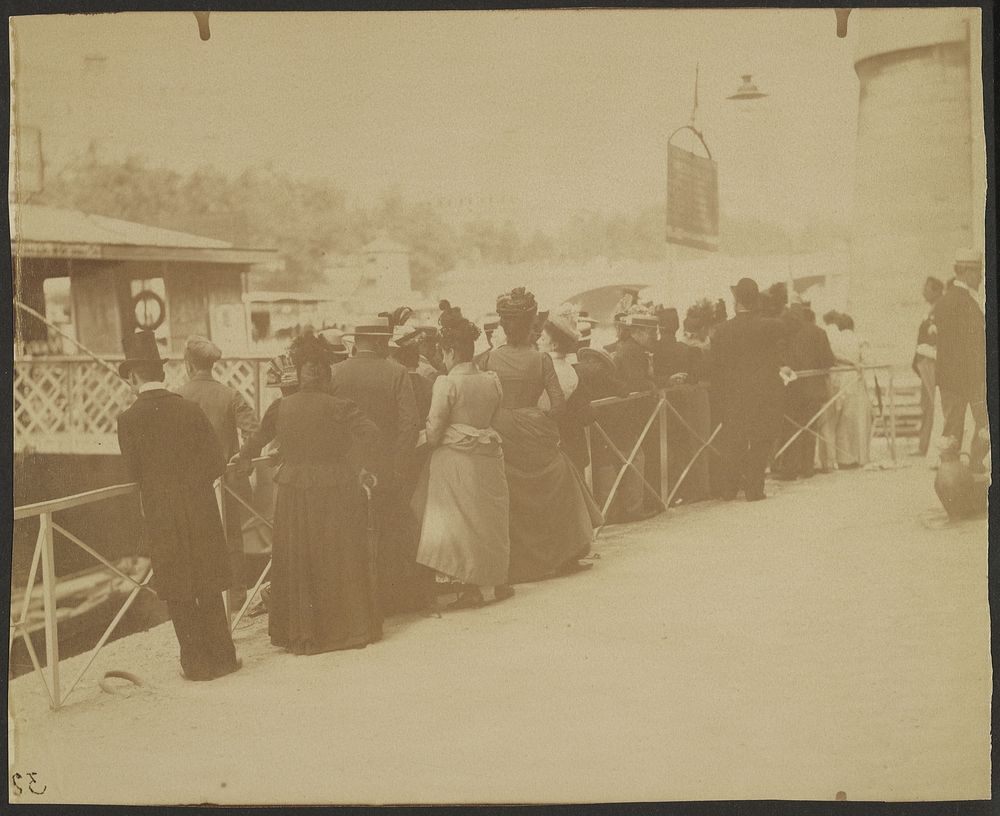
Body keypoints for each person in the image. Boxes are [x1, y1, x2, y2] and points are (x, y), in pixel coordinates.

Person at [235, 334, 382, 654]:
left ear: (299, 372)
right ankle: (345, 631)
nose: (315, 372)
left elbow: (256, 440)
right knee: (336, 557)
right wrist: (356, 464)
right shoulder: (341, 406)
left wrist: (244, 458)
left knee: (300, 560)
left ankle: (305, 632)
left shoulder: (281, 406)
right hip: (335, 488)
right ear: (325, 374)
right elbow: (371, 435)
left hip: (295, 493)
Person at [115, 330, 239, 681]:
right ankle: (224, 658)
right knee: (208, 583)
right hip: (199, 508)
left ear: (133, 377)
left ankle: (196, 664)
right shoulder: (190, 409)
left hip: (161, 515)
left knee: (178, 590)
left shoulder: (128, 421)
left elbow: (133, 474)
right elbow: (217, 462)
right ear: (163, 373)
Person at [479, 287, 602, 583]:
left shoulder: (487, 359)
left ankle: (517, 563)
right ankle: (563, 556)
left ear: (504, 326)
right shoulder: (541, 360)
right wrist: (537, 418)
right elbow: (558, 406)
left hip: (501, 428)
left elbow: (482, 400)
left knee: (513, 494)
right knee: (561, 482)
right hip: (535, 429)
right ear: (531, 324)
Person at [412, 306, 513, 609]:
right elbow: (495, 419)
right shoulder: (491, 380)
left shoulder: (447, 383)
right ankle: (493, 582)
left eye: (443, 354)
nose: (442, 360)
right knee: (487, 521)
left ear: (452, 352)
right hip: (487, 456)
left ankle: (464, 585)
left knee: (457, 524)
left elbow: (433, 431)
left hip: (454, 459)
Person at [330, 316, 427, 613]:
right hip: (386, 465)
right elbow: (410, 424)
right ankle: (396, 598)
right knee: (393, 529)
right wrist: (399, 464)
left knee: (349, 532)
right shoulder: (396, 372)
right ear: (378, 341)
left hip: (345, 467)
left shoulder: (334, 373)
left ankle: (354, 600)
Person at [175, 335, 260, 611]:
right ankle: (235, 597)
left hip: (190, 485)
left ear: (188, 364)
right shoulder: (229, 394)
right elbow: (254, 433)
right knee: (232, 538)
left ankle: (206, 600)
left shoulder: (178, 397)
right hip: (227, 482)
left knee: (196, 540)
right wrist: (242, 461)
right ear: (211, 365)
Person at [710, 278, 791, 501]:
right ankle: (754, 490)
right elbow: (787, 326)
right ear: (756, 300)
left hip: (733, 395)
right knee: (760, 441)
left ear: (736, 300)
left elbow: (715, 365)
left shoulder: (723, 330)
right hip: (763, 394)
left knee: (734, 441)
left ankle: (729, 489)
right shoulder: (770, 326)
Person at [933, 249, 988, 472]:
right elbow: (970, 345)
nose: (982, 277)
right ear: (964, 272)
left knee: (954, 434)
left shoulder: (949, 300)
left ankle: (957, 479)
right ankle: (967, 475)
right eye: (978, 272)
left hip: (953, 378)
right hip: (968, 377)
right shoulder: (961, 301)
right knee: (982, 427)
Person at [774, 307, 836, 480]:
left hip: (791, 388)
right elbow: (828, 361)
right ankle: (807, 467)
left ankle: (790, 469)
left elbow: (779, 358)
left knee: (790, 428)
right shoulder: (818, 332)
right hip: (813, 388)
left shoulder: (784, 333)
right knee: (809, 428)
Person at [829, 313, 872, 469]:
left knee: (842, 420)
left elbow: (832, 356)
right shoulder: (860, 339)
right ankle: (860, 456)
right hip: (855, 378)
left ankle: (843, 457)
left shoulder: (835, 339)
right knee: (859, 418)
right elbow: (867, 360)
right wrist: (855, 362)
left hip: (840, 379)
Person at [912, 276, 944, 457]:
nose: (924, 291)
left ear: (937, 290)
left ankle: (927, 446)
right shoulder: (932, 309)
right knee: (927, 405)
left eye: (927, 288)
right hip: (924, 363)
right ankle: (923, 445)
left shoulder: (938, 310)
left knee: (932, 404)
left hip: (931, 363)